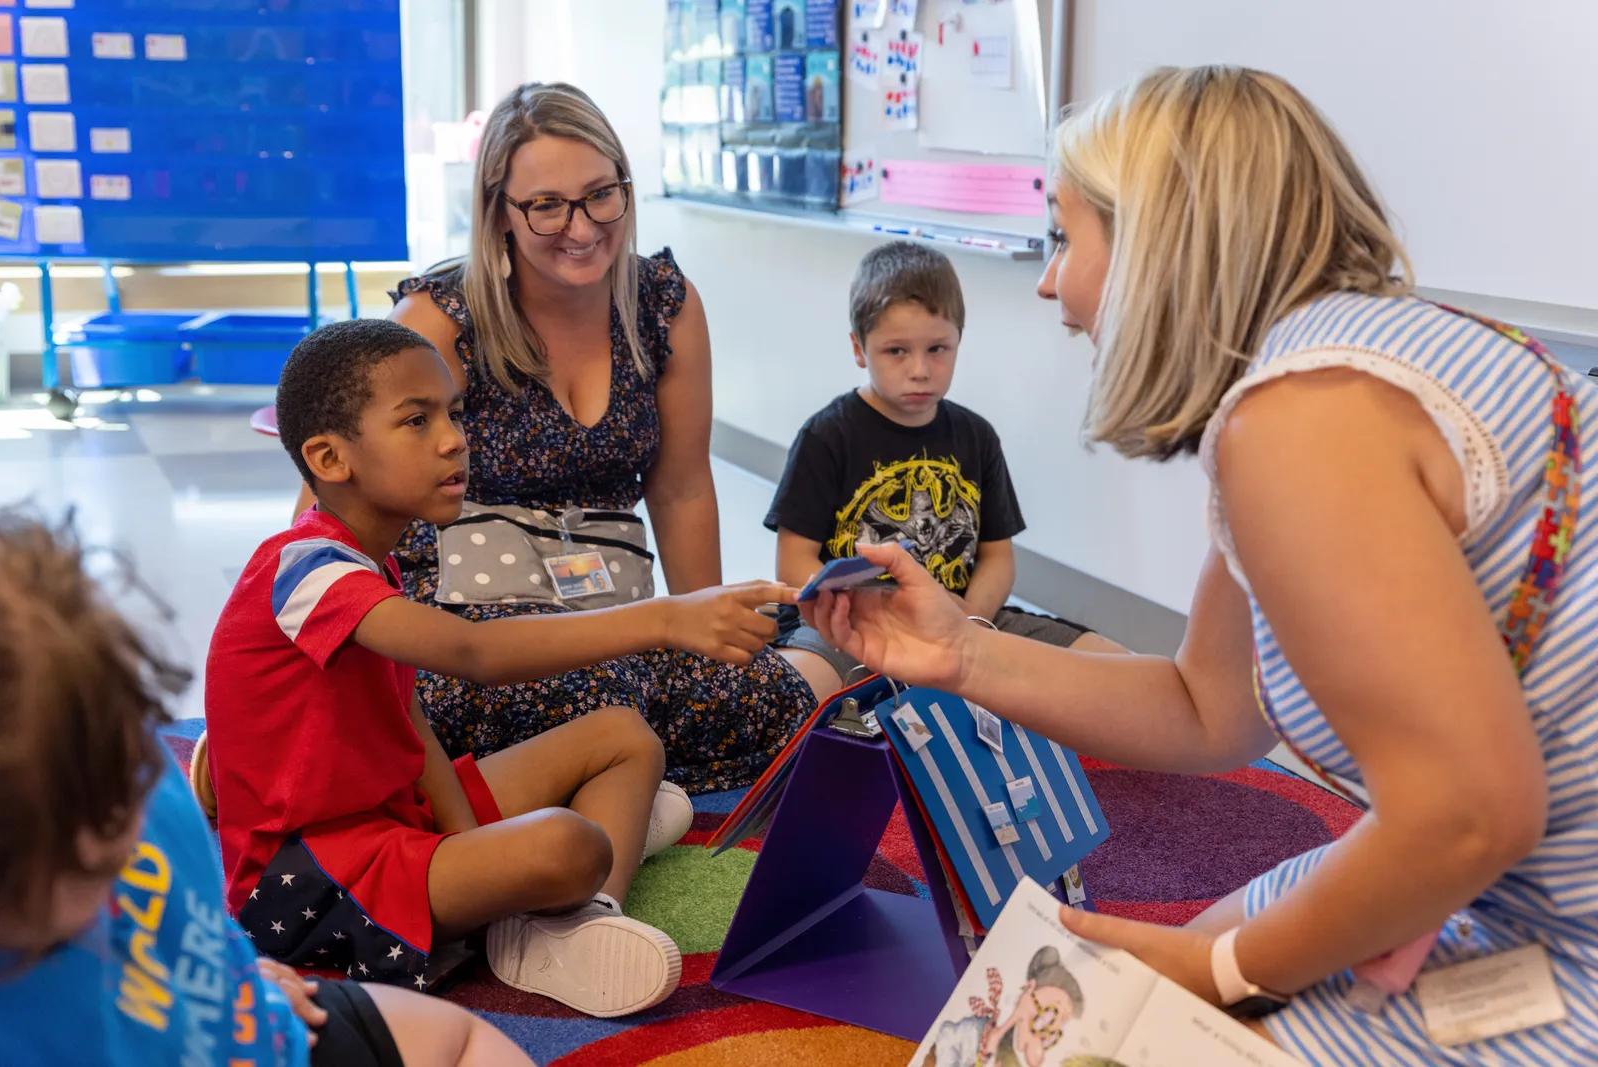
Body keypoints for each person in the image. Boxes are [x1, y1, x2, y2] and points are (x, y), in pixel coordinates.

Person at [806, 66, 1598, 1063]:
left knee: (1102, 1026)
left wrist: (1223, 974)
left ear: (1156, 238)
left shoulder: (1297, 424)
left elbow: (1467, 813)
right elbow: (1206, 703)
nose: (1049, 282)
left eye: (1062, 237)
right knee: (1143, 987)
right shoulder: (1351, 363)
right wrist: (964, 649)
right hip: (1520, 883)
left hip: (1558, 935)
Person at [210, 319, 794, 1018]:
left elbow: (409, 716)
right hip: (311, 877)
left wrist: (470, 846)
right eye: (416, 420)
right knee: (573, 841)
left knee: (624, 735)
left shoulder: (371, 557)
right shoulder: (307, 568)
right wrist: (665, 617)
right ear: (330, 458)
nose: (455, 437)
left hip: (394, 820)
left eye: (454, 413)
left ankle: (581, 917)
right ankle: (581, 869)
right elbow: (472, 653)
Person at [294, 82, 816, 794]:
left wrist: (712, 633)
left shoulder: (663, 302)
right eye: (546, 205)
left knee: (765, 698)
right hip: (472, 624)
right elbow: (326, 505)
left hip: (610, 617)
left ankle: (592, 784)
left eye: (602, 194)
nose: (581, 225)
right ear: (498, 213)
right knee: (593, 695)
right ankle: (599, 783)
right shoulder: (441, 319)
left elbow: (682, 485)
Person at [0, 509, 536, 1067]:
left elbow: (190, 921)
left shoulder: (142, 784)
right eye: (60, 858)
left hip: (265, 1021)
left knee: (462, 1038)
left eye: (118, 795)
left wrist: (241, 970)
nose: (115, 843)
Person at [767, 240, 1123, 700]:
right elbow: (794, 562)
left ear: (958, 340)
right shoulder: (827, 435)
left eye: (938, 348)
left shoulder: (977, 436)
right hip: (852, 628)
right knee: (789, 694)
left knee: (1115, 666)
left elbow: (997, 557)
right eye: (896, 351)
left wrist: (969, 623)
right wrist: (870, 611)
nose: (920, 370)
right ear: (859, 349)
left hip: (965, 618)